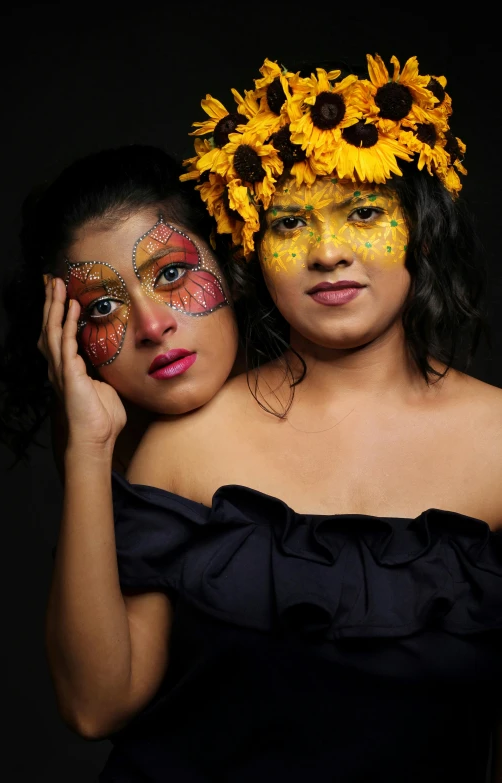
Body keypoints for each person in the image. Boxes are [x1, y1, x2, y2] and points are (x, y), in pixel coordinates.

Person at [91, 55, 500, 782]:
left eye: (365, 213)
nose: (329, 252)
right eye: (290, 223)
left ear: (422, 234)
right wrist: (85, 451)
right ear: (253, 254)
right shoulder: (187, 446)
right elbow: (99, 706)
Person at [0, 144, 239, 473]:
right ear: (67, 332)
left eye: (171, 273)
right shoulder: (92, 440)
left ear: (232, 264)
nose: (151, 327)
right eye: (103, 306)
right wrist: (89, 447)